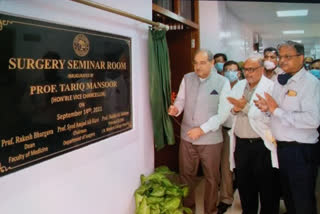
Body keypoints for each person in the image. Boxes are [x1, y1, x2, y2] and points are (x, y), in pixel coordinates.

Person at [255, 41, 320, 214]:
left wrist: (277, 111)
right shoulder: (280, 80)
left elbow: (313, 120)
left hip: (301, 150)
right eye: (280, 56)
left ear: (301, 58)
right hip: (282, 148)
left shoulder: (310, 83)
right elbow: (276, 111)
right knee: (289, 197)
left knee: (303, 200)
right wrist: (267, 109)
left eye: (287, 57)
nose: (282, 61)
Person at [168, 49, 231, 214]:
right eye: (195, 63)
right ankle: (189, 209)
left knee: (211, 177)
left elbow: (223, 114)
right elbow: (180, 100)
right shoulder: (187, 78)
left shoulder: (222, 82)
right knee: (186, 176)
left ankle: (210, 210)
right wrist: (176, 109)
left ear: (211, 63)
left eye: (202, 63)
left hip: (210, 139)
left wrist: (202, 130)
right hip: (187, 137)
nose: (198, 67)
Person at [227, 56, 280, 214]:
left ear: (262, 69)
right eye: (246, 69)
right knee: (245, 188)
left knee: (267, 190)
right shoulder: (239, 85)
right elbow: (229, 112)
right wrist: (235, 110)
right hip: (242, 145)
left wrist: (245, 108)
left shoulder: (271, 87)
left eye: (252, 69)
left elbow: (271, 117)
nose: (248, 73)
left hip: (262, 145)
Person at [217, 60, 242, 214]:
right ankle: (226, 198)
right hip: (225, 131)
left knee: (244, 167)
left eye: (233, 70)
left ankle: (247, 196)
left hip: (242, 131)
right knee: (226, 166)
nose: (230, 73)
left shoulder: (244, 86)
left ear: (239, 72)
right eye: (227, 70)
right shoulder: (221, 86)